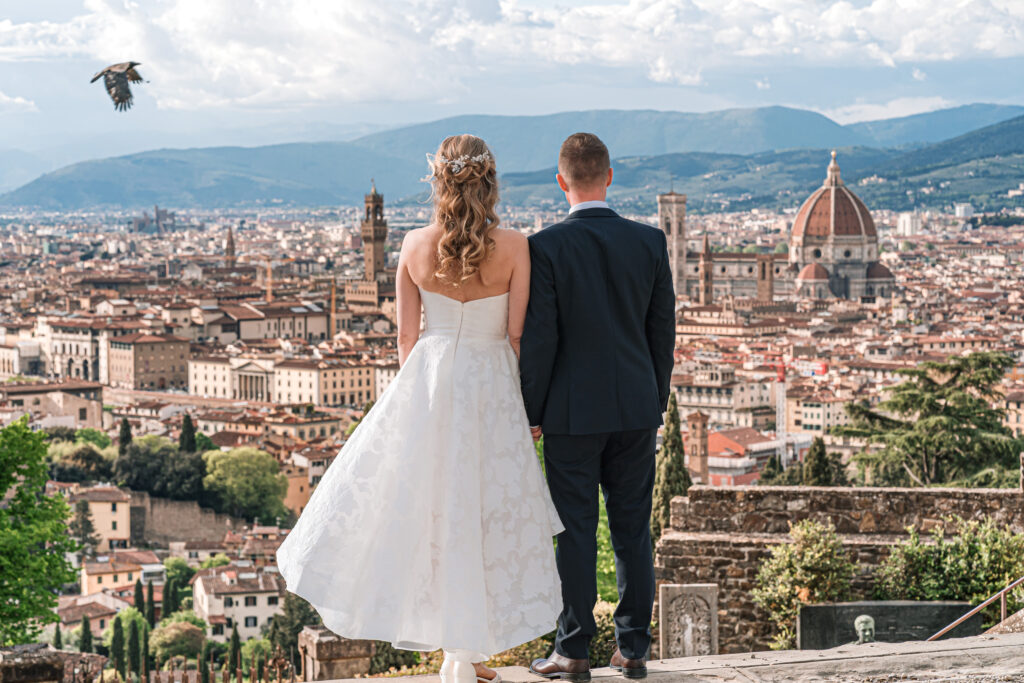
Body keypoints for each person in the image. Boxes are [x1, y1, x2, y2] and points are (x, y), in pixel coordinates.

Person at [276, 134, 563, 683]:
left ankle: (457, 651)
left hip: (430, 382)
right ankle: (468, 650)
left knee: (432, 511)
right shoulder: (516, 247)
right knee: (481, 512)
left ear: (440, 180)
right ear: (490, 181)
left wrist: (417, 397)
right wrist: (519, 404)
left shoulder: (411, 244)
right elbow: (518, 335)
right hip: (492, 383)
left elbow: (407, 338)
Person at [521, 133, 676, 681]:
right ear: (610, 176)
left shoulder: (546, 247)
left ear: (561, 181)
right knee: (633, 529)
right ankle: (633, 648)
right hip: (636, 409)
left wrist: (531, 412)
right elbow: (663, 336)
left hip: (570, 414)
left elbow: (540, 342)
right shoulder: (650, 242)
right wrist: (652, 401)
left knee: (575, 530)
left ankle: (573, 648)